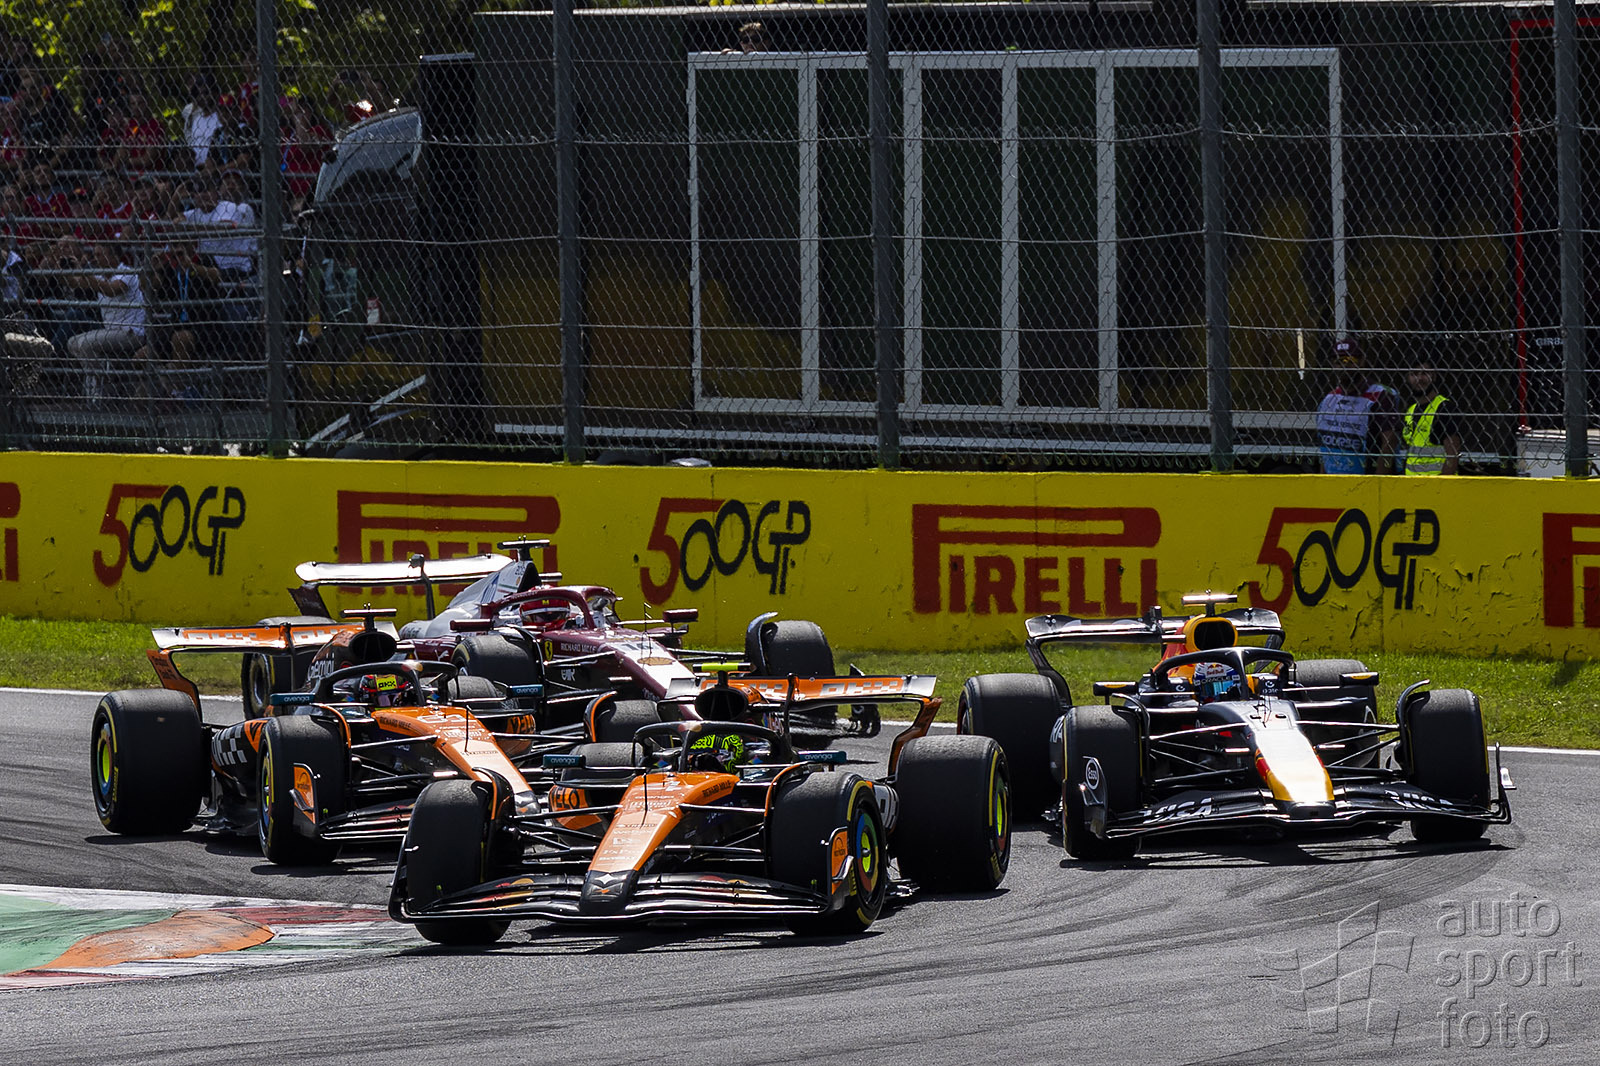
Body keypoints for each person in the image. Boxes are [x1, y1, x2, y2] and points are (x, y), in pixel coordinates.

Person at [60, 239, 145, 402]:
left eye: (100, 255)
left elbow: (110, 290)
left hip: (131, 332)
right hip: (110, 331)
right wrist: (62, 269)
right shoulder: (99, 275)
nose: (96, 259)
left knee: (85, 344)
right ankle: (101, 377)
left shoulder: (127, 273)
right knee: (72, 342)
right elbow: (75, 283)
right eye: (95, 255)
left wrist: (84, 272)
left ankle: (100, 383)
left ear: (113, 256)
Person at [1315, 338, 1399, 474]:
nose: (1344, 366)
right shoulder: (1329, 399)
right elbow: (1325, 448)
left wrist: (1378, 481)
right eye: (1338, 361)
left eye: (1350, 360)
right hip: (1333, 480)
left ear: (1362, 361)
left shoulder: (1379, 395)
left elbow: (1389, 442)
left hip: (1366, 479)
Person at [1401, 359, 1461, 475]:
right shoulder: (1410, 410)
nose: (1419, 378)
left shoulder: (1445, 408)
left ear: (1434, 376)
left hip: (1436, 483)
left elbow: (1452, 455)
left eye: (1424, 373)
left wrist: (1441, 483)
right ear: (1408, 378)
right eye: (1414, 374)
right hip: (1411, 482)